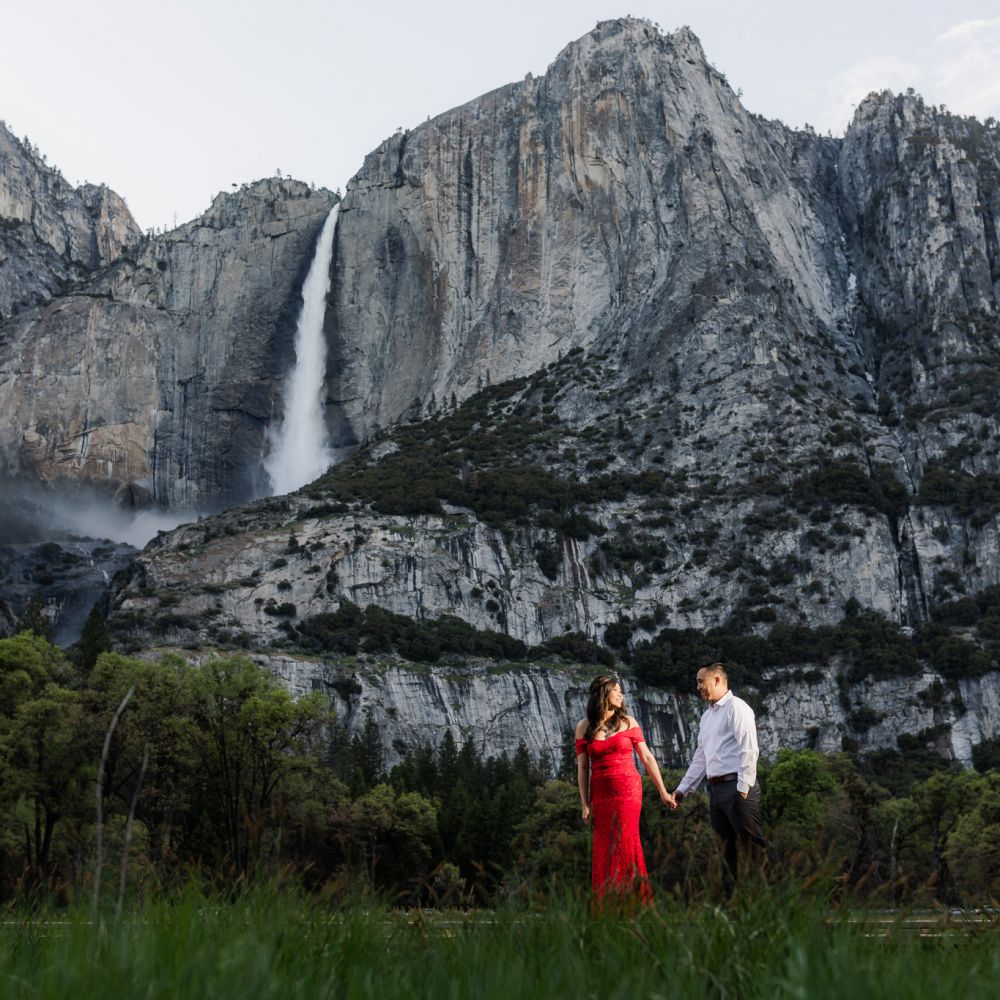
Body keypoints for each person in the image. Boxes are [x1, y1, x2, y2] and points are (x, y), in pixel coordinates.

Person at [669, 661, 765, 895]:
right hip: (716, 792)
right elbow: (700, 759)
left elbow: (749, 748)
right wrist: (682, 790)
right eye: (697, 683)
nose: (698, 687)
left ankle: (773, 903)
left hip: (738, 787)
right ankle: (731, 906)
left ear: (717, 680)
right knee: (725, 851)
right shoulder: (706, 718)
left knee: (753, 846)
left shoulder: (737, 708)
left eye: (701, 681)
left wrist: (743, 786)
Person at [575, 675, 674, 903]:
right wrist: (584, 803)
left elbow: (647, 758)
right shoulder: (583, 727)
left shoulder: (629, 722)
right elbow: (582, 767)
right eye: (616, 690)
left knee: (626, 841)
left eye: (621, 691)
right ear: (603, 693)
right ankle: (607, 903)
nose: (621, 695)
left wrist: (662, 791)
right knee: (604, 844)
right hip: (600, 795)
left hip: (628, 791)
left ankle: (633, 901)